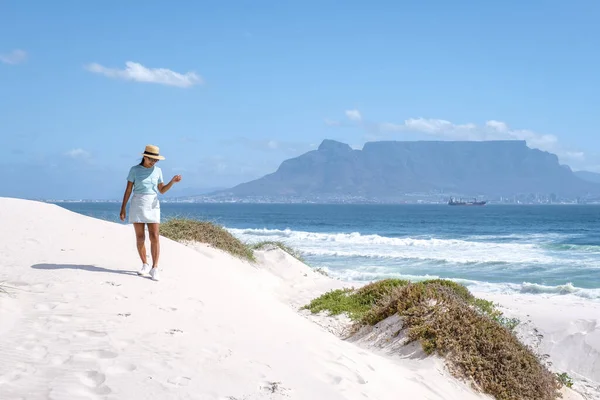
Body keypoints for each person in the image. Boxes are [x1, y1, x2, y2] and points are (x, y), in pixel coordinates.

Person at [119, 144, 182, 281]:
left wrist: (172, 182)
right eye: (152, 159)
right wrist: (123, 207)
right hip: (138, 203)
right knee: (140, 237)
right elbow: (128, 190)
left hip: (153, 204)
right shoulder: (134, 170)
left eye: (156, 160)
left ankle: (155, 268)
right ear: (145, 157)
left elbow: (162, 190)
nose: (154, 162)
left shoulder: (158, 171)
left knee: (154, 236)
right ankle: (145, 264)